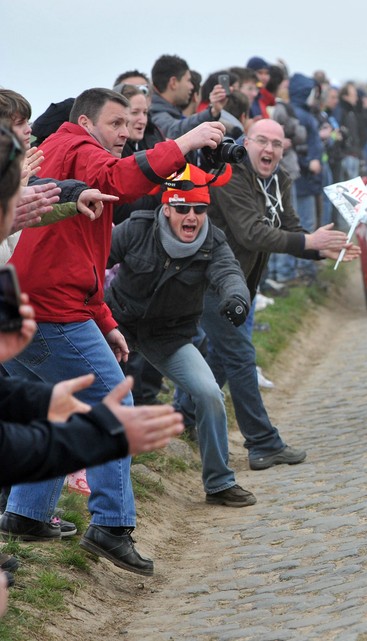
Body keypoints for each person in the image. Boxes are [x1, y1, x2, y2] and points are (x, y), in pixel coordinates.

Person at [0, 88, 224, 576]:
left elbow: (78, 253)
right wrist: (186, 142)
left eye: (132, 123)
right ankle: (111, 524)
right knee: (116, 406)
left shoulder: (57, 150)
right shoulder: (80, 149)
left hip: (31, 306)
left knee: (60, 406)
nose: (127, 132)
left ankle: (25, 512)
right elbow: (121, 180)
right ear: (85, 121)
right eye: (117, 123)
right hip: (52, 310)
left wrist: (105, 320)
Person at [175, 118, 358, 471]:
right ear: (247, 142)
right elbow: (251, 234)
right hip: (209, 277)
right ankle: (262, 443)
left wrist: (321, 248)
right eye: (262, 141)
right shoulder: (230, 174)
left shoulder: (280, 179)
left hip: (242, 283)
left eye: (277, 144)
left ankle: (183, 414)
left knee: (221, 356)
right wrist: (308, 242)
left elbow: (289, 228)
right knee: (240, 356)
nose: (270, 149)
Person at [106, 164, 256, 508]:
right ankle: (89, 479)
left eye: (200, 209)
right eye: (184, 208)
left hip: (170, 336)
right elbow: (93, 257)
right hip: (118, 327)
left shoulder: (214, 241)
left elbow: (230, 274)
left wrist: (236, 299)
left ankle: (219, 482)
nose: (192, 217)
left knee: (208, 394)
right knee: (103, 396)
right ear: (168, 208)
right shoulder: (136, 228)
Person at [149, 54, 228, 140]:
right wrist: (211, 112)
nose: (191, 86)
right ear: (173, 83)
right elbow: (174, 131)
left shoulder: (167, 111)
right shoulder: (155, 114)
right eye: (188, 80)